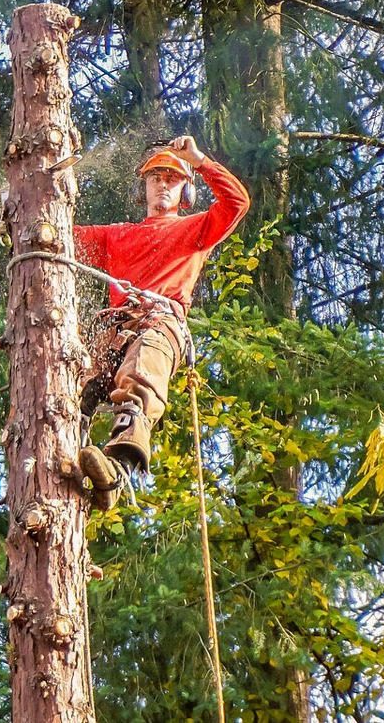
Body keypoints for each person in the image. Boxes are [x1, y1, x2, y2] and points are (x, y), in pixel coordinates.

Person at [73, 135, 250, 510]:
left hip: (159, 322)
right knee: (74, 384)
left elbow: (237, 203)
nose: (163, 184)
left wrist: (200, 161)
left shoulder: (197, 229)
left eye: (172, 178)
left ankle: (116, 470)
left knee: (142, 371)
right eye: (156, 178)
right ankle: (65, 454)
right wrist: (18, 221)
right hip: (114, 328)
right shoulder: (118, 235)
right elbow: (61, 241)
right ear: (145, 187)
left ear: (185, 189)